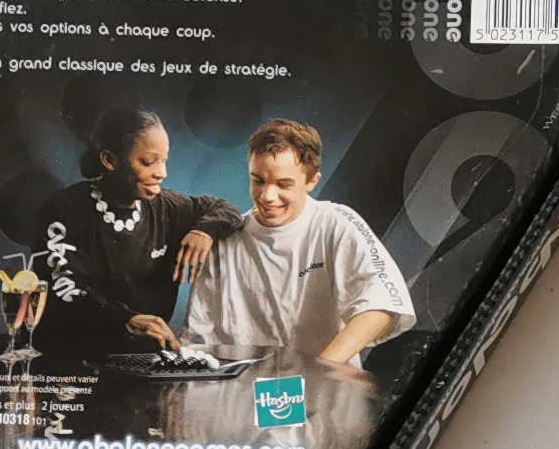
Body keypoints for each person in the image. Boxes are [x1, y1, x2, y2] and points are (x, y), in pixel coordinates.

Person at [182, 119, 415, 366]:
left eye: (283, 184)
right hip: (245, 386)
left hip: (323, 386)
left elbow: (380, 305)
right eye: (258, 180)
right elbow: (197, 338)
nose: (267, 196)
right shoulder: (226, 238)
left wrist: (321, 369)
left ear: (312, 181)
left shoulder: (336, 223)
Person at [31, 108, 243, 358]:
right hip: (74, 357)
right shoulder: (64, 210)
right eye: (148, 161)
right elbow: (64, 293)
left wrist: (204, 231)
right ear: (110, 161)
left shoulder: (168, 207)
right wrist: (125, 320)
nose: (161, 173)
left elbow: (226, 209)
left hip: (145, 359)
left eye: (164, 160)